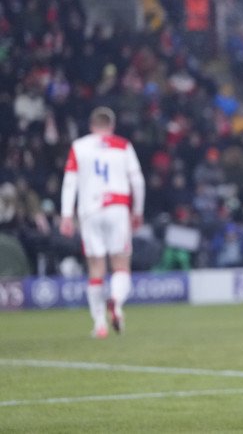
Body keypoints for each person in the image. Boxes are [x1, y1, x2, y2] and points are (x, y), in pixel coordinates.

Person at [59, 106, 146, 338]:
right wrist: (137, 211)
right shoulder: (123, 145)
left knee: (96, 267)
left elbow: (70, 182)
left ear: (91, 126)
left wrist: (66, 214)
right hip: (117, 207)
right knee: (121, 264)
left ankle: (99, 325)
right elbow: (137, 181)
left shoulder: (79, 146)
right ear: (112, 126)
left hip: (90, 211)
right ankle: (115, 302)